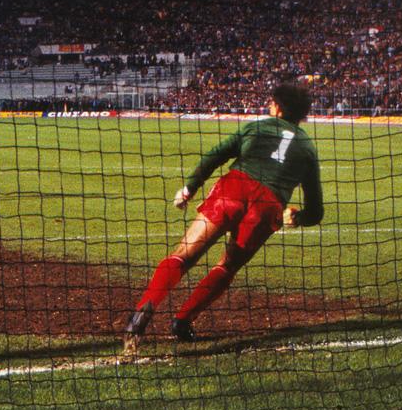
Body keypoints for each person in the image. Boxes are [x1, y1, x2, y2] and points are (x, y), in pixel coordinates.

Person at [123, 82, 324, 355]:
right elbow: (316, 210)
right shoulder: (308, 149)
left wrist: (190, 187)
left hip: (234, 188)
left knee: (184, 254)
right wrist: (299, 217)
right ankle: (182, 322)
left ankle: (140, 316)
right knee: (227, 267)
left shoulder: (257, 126)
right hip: (267, 206)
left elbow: (216, 154)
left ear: (277, 107)